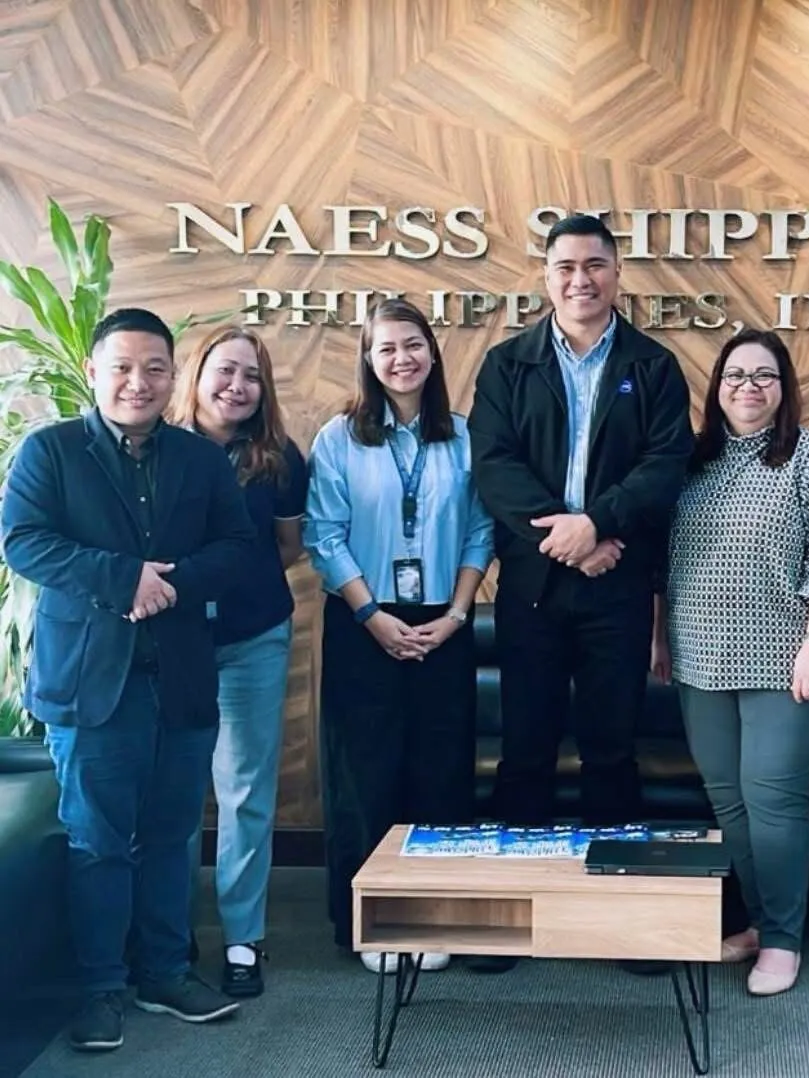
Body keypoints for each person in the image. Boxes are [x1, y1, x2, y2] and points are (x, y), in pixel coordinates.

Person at [0, 308, 254, 1052]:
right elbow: (23, 542)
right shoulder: (50, 451)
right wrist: (124, 579)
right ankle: (100, 988)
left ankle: (165, 973)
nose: (137, 382)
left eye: (153, 368)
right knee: (98, 841)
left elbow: (237, 546)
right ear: (93, 372)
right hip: (91, 684)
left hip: (180, 680)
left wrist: (167, 585)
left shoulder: (200, 459)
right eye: (121, 367)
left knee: (173, 836)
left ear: (173, 377)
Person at [651, 329, 809, 997]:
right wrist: (660, 639)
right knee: (728, 798)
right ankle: (758, 921)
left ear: (784, 387)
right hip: (700, 657)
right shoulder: (690, 462)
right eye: (735, 375)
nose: (748, 386)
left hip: (788, 659)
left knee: (772, 797)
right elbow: (664, 560)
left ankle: (782, 939)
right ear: (717, 388)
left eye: (763, 375)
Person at [468, 213, 694, 831]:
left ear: (617, 273)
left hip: (618, 586)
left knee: (611, 752)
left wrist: (595, 524)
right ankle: (524, 884)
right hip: (532, 587)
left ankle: (608, 886)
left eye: (595, 265)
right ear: (546, 278)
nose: (580, 280)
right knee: (526, 751)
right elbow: (494, 465)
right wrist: (569, 539)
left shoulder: (654, 366)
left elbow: (665, 464)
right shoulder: (507, 364)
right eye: (565, 267)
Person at [305, 298, 493, 976]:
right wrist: (373, 617)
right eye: (385, 348)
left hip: (445, 621)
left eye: (412, 344)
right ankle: (375, 920)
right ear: (368, 358)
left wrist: (457, 615)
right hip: (364, 619)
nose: (401, 359)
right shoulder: (338, 438)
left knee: (440, 773)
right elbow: (323, 535)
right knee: (367, 774)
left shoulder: (464, 437)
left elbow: (480, 530)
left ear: (432, 353)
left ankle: (436, 915)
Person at [168, 326, 307, 998]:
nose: (237, 386)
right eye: (225, 371)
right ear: (196, 375)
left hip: (253, 639)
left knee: (245, 790)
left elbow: (287, 547)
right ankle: (169, 934)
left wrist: (235, 585)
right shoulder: (157, 448)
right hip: (173, 643)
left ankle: (243, 938)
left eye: (251, 376)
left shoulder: (278, 457)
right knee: (173, 789)